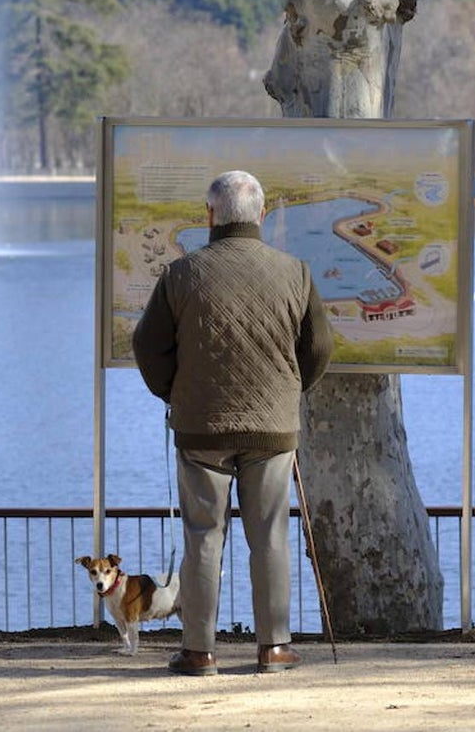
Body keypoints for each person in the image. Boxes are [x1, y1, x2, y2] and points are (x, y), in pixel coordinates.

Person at [132, 170, 333, 676]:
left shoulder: (181, 275)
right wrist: (290, 391)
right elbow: (320, 349)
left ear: (209, 217)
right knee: (270, 536)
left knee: (204, 535)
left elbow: (147, 346)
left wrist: (173, 391)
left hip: (200, 428)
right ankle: (275, 648)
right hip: (272, 428)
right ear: (262, 216)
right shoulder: (296, 272)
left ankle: (199, 652)